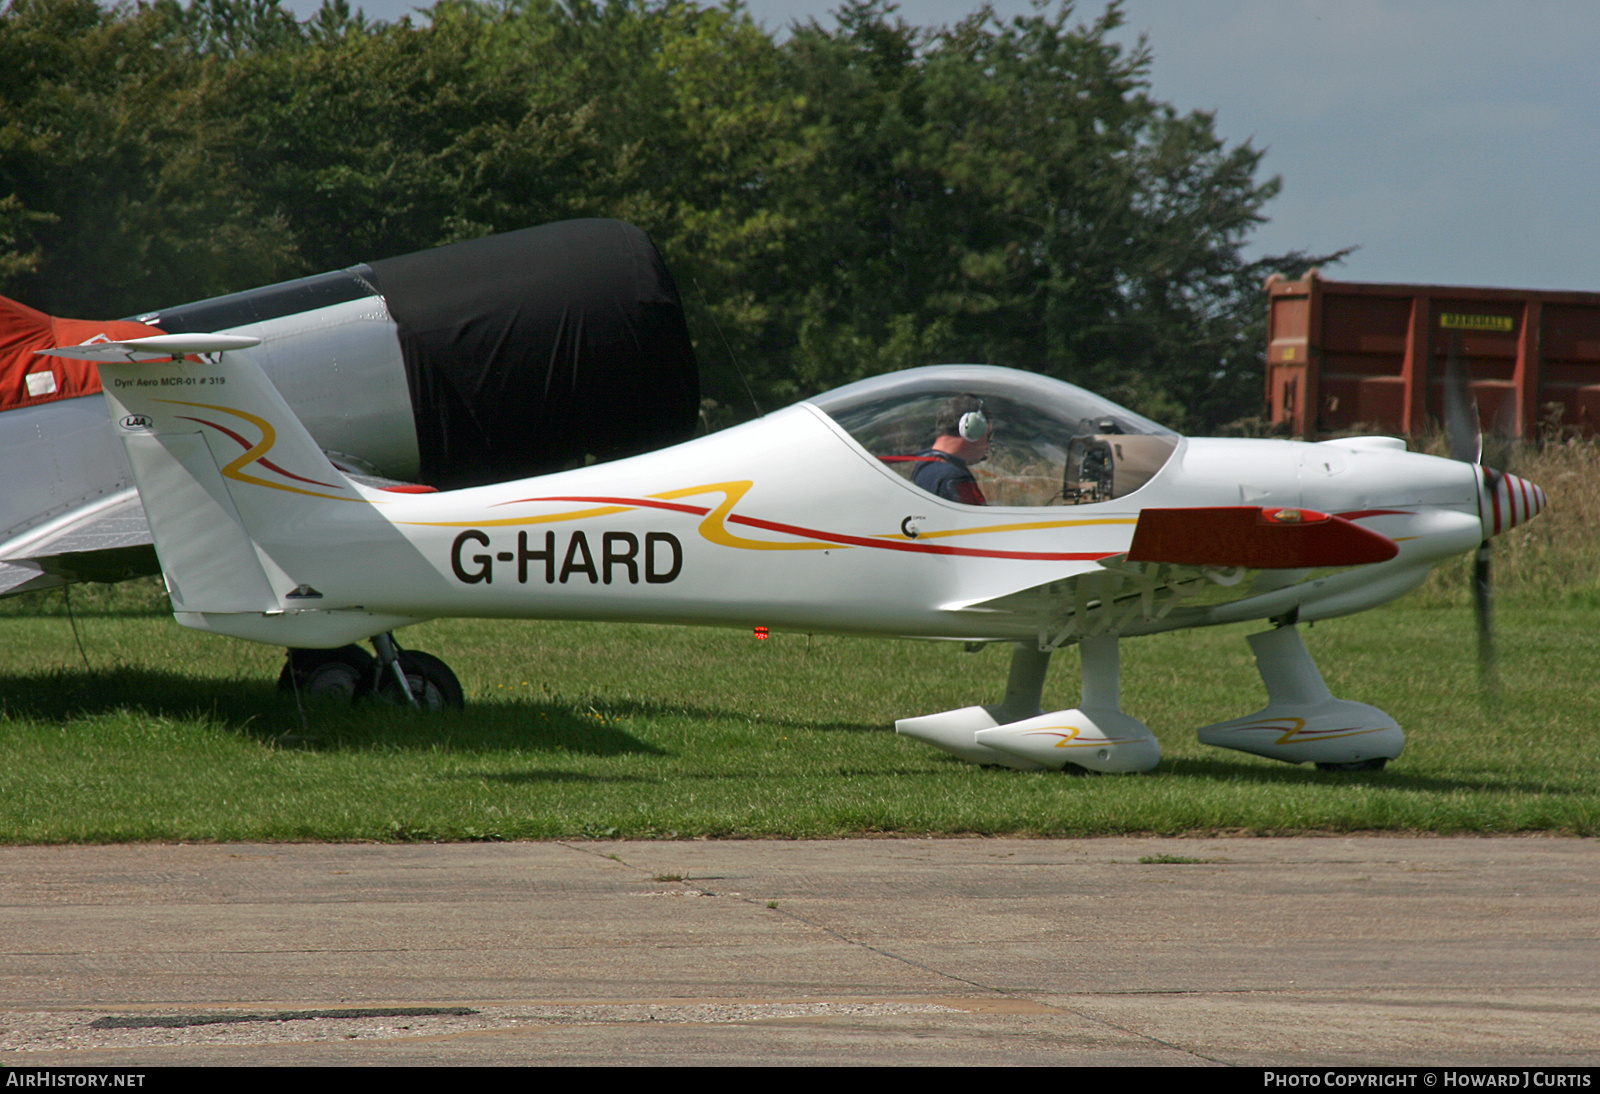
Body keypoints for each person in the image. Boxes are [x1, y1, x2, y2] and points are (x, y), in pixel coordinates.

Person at [911, 395, 990, 505]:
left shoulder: (924, 464)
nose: (987, 446)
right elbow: (977, 520)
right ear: (973, 429)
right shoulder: (953, 477)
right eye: (988, 435)